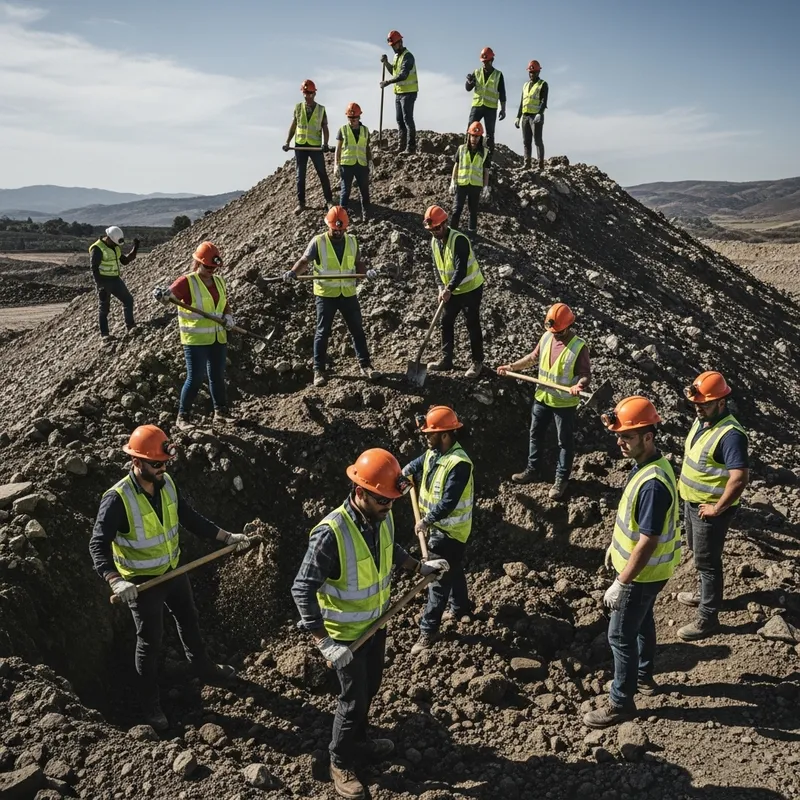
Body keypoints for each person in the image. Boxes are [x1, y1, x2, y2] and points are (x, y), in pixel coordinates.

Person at [291, 448, 448, 800]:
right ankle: (340, 762)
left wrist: (418, 567)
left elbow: (390, 550)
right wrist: (323, 642)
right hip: (345, 638)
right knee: (352, 701)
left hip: (376, 625)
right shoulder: (331, 533)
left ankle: (359, 742)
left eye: (392, 500)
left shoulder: (381, 516)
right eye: (382, 500)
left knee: (371, 688)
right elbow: (302, 588)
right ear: (360, 492)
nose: (388, 506)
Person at [89, 425, 253, 730]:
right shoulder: (117, 499)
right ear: (136, 461)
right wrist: (115, 580)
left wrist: (226, 537)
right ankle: (149, 703)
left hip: (174, 571)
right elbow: (97, 544)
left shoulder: (166, 484)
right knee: (150, 642)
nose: (162, 469)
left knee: (189, 620)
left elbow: (189, 517)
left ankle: (204, 668)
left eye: (165, 463)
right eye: (156, 464)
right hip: (143, 584)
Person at [583, 397, 680, 729]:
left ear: (648, 437)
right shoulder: (649, 465)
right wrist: (616, 548)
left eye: (627, 436)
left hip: (642, 574)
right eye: (619, 436)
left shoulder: (652, 483)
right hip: (650, 572)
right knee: (643, 621)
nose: (620, 443)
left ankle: (621, 702)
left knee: (620, 636)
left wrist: (621, 581)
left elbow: (648, 541)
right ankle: (643, 677)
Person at [676, 371, 749, 641]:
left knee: (708, 562)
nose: (698, 408)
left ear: (721, 402)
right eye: (696, 404)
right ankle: (705, 595)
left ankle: (708, 619)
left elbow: (739, 478)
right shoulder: (702, 420)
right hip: (692, 503)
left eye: (704, 404)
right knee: (698, 553)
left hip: (710, 511)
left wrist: (717, 508)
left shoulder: (731, 435)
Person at [497, 302, 590, 499]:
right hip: (542, 397)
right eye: (553, 330)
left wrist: (579, 386)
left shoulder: (579, 347)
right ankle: (533, 469)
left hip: (563, 403)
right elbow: (533, 358)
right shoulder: (547, 336)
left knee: (564, 443)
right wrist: (511, 367)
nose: (555, 334)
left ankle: (561, 479)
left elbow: (585, 375)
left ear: (568, 326)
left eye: (559, 331)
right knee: (535, 434)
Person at [402, 406, 475, 656]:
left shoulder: (459, 463)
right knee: (453, 567)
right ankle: (460, 609)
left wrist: (426, 521)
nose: (426, 437)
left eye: (430, 433)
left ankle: (428, 630)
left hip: (451, 531)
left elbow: (448, 502)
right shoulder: (434, 453)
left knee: (437, 579)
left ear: (444, 434)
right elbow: (417, 464)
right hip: (439, 527)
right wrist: (404, 473)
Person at [283, 206, 380, 387]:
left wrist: (367, 273)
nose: (337, 232)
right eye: (334, 229)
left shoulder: (352, 241)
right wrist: (293, 272)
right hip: (326, 296)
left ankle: (366, 365)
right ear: (328, 225)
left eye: (341, 229)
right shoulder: (318, 242)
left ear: (346, 227)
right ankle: (318, 370)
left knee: (357, 330)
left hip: (348, 294)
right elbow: (304, 261)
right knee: (322, 332)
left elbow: (358, 263)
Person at [159, 242, 235, 430]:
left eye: (214, 267)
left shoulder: (219, 281)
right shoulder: (187, 281)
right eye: (207, 266)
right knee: (195, 377)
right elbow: (169, 297)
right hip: (196, 340)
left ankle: (221, 412)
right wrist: (162, 296)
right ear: (198, 262)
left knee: (217, 376)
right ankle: (183, 416)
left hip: (218, 337)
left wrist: (228, 316)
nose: (211, 270)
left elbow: (224, 303)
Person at [423, 205, 485, 379]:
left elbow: (461, 269)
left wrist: (449, 289)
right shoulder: (434, 242)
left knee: (472, 323)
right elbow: (436, 267)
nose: (434, 232)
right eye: (431, 230)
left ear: (445, 223)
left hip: (471, 288)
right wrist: (440, 287)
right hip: (451, 290)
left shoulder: (459, 240)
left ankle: (477, 362)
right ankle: (446, 360)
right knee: (446, 321)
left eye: (436, 228)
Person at [282, 79, 334, 214]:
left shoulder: (321, 109)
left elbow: (325, 127)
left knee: (322, 173)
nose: (308, 96)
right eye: (305, 93)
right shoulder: (298, 108)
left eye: (310, 93)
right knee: (300, 175)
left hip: (315, 146)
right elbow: (294, 125)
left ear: (314, 94)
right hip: (300, 146)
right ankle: (301, 203)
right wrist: (287, 142)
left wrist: (325, 144)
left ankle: (329, 200)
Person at [90, 226, 139, 342]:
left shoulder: (115, 247)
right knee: (104, 308)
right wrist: (100, 286)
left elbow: (125, 261)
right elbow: (94, 268)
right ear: (108, 238)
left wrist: (135, 248)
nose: (115, 245)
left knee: (128, 300)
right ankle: (105, 335)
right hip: (104, 281)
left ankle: (130, 326)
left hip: (115, 280)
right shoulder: (97, 248)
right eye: (114, 242)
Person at [380, 30, 418, 155]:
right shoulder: (397, 57)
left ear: (400, 42)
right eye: (392, 46)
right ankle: (401, 147)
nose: (393, 48)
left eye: (394, 45)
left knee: (408, 119)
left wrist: (388, 82)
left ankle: (411, 148)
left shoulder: (408, 56)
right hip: (399, 93)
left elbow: (403, 75)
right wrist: (386, 63)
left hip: (409, 93)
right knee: (399, 120)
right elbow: (394, 72)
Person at [464, 47, 506, 161]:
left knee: (489, 135)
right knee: (470, 130)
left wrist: (503, 109)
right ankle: (467, 155)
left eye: (487, 62)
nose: (485, 64)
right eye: (483, 62)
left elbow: (502, 93)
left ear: (492, 60)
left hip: (490, 108)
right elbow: (468, 88)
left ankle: (487, 160)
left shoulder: (498, 75)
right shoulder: (477, 72)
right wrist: (469, 81)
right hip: (477, 105)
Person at [450, 121, 490, 235]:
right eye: (472, 136)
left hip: (475, 186)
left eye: (477, 136)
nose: (474, 139)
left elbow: (486, 171)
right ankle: (452, 232)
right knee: (456, 210)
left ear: (480, 138)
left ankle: (472, 234)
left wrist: (485, 187)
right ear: (468, 135)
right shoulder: (461, 149)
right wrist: (452, 181)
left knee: (473, 211)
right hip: (461, 184)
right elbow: (456, 165)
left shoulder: (485, 152)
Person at [335, 103, 373, 222]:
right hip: (347, 165)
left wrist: (370, 161)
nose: (352, 120)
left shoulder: (365, 130)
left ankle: (367, 215)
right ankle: (342, 218)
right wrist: (336, 164)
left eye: (354, 117)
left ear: (359, 116)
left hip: (361, 165)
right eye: (350, 118)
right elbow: (338, 148)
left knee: (364, 191)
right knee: (345, 191)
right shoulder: (343, 130)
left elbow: (367, 148)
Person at [515, 60, 549, 170]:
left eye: (534, 72)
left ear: (538, 72)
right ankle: (527, 164)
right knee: (526, 141)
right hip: (525, 116)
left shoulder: (542, 84)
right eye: (530, 72)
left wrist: (540, 113)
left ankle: (540, 165)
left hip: (536, 116)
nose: (531, 74)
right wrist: (518, 116)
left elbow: (544, 101)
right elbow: (522, 102)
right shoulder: (525, 85)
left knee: (538, 140)